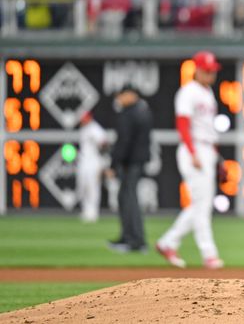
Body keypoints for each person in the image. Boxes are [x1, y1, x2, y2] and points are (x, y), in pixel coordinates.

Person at [156, 51, 224, 270]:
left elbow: (207, 128)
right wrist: (193, 152)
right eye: (207, 70)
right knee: (202, 206)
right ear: (196, 69)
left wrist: (216, 158)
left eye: (212, 70)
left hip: (206, 149)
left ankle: (168, 242)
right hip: (193, 149)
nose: (211, 74)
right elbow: (183, 124)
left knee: (200, 205)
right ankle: (209, 254)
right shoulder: (188, 92)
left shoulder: (207, 91)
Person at [106, 85, 153, 253]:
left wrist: (113, 164)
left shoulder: (130, 113)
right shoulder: (143, 110)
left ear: (130, 95)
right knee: (126, 197)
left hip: (129, 162)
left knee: (129, 199)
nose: (118, 99)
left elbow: (123, 141)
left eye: (121, 95)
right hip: (137, 161)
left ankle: (135, 241)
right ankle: (128, 237)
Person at [76, 111, 108, 223]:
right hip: (84, 162)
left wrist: (103, 163)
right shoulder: (83, 129)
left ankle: (93, 212)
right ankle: (86, 210)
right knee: (83, 187)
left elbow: (104, 144)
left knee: (93, 187)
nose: (83, 121)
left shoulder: (95, 128)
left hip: (94, 162)